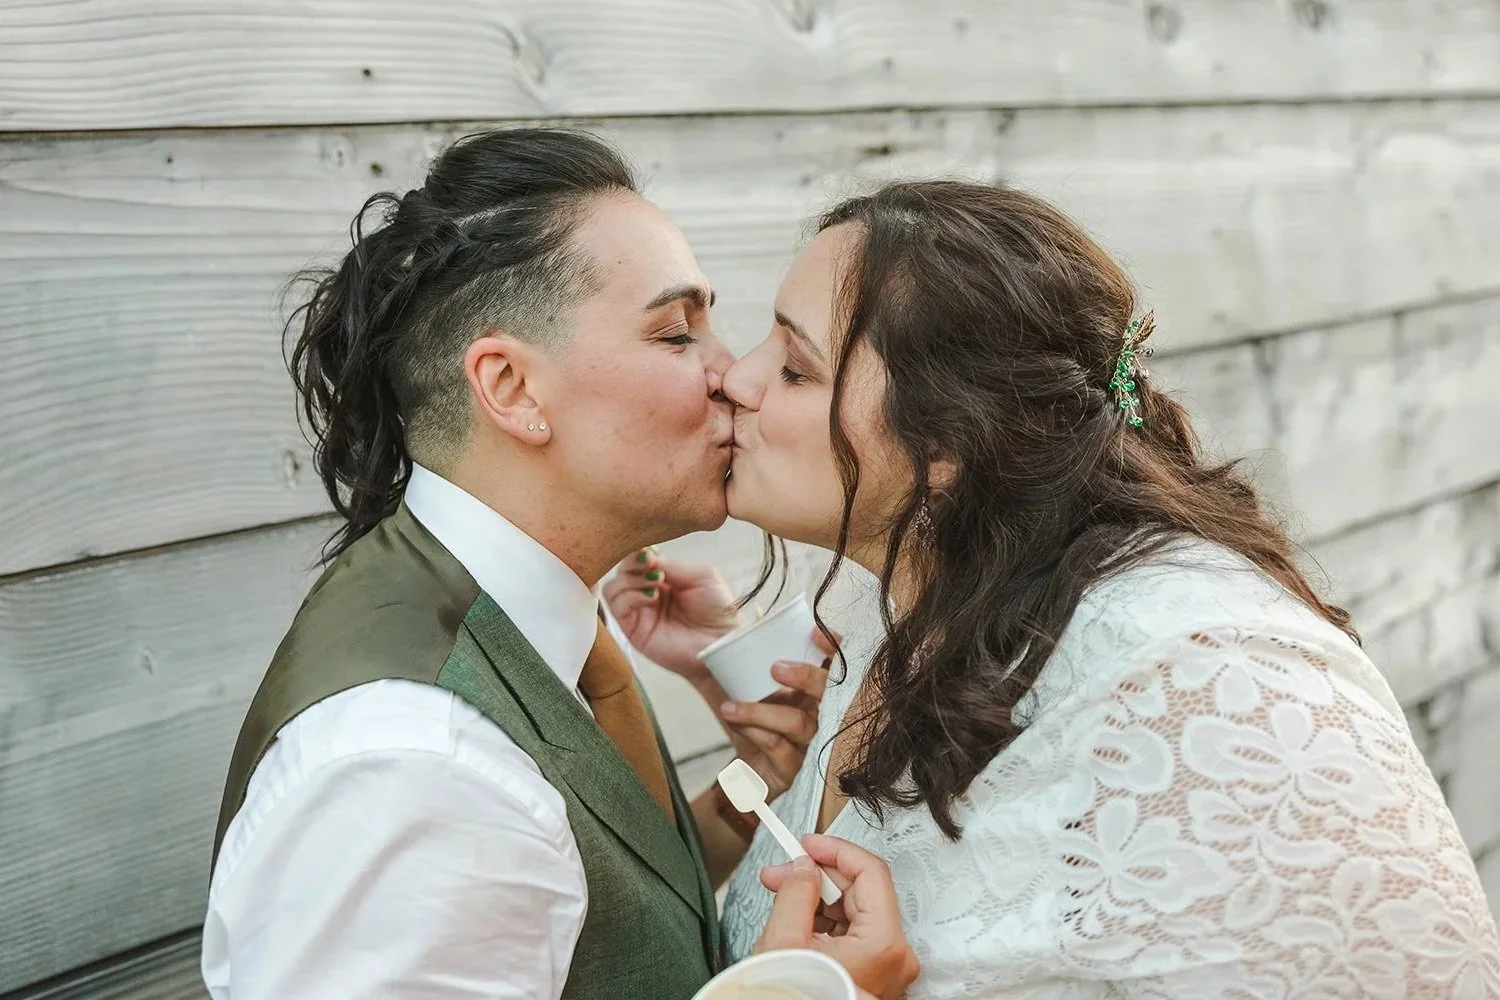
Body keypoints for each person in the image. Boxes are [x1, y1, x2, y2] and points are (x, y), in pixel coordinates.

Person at [612, 180, 1500, 997]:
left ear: (947, 448)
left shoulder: (1213, 683)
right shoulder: (900, 608)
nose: (735, 376)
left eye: (797, 367)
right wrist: (745, 707)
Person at [202, 127, 916, 1000]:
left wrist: (751, 790)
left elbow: (572, 907)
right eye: (675, 333)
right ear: (512, 389)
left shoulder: (528, 625)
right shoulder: (412, 768)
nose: (731, 374)